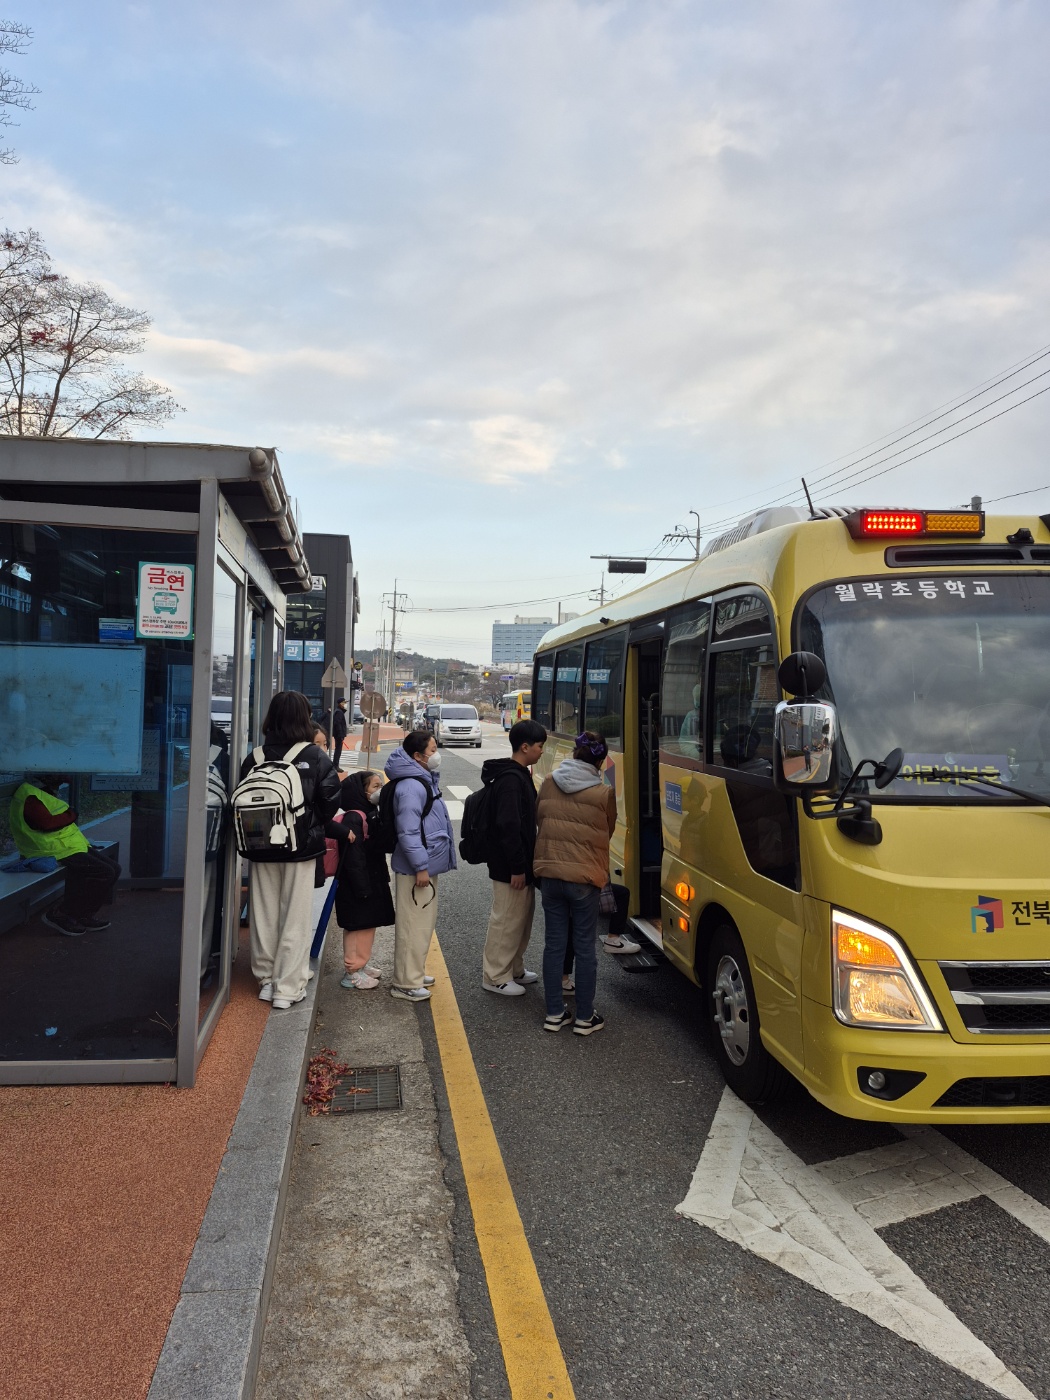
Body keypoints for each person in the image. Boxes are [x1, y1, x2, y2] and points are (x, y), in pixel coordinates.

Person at [240, 691, 341, 1009]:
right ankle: (288, 986)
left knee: (264, 914)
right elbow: (329, 804)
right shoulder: (315, 756)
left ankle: (267, 980)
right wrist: (306, 825)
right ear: (304, 718)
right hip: (299, 849)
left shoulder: (255, 756)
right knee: (295, 916)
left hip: (259, 846)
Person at [534, 731, 618, 1036]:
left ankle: (554, 1013)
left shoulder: (548, 783)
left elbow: (540, 819)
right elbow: (607, 831)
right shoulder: (603, 793)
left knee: (554, 945)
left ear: (574, 754)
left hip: (550, 874)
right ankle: (585, 1016)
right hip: (584, 879)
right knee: (584, 946)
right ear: (599, 760)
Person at [384, 729, 456, 1002]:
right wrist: (421, 867)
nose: (437, 755)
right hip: (417, 868)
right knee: (412, 925)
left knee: (422, 922)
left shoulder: (420, 778)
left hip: (425, 863)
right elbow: (408, 832)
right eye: (433, 750)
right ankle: (405, 982)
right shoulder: (412, 786)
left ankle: (413, 972)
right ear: (418, 756)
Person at [480, 718, 547, 996]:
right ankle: (495, 975)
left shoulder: (517, 774)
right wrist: (517, 867)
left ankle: (514, 968)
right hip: (510, 866)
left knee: (521, 918)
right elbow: (508, 827)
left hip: (520, 863)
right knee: (506, 920)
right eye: (540, 746)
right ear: (525, 746)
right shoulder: (510, 780)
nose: (542, 751)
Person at [8, 775, 121, 935]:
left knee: (114, 868)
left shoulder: (41, 792)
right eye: (61, 775)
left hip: (67, 846)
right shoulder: (30, 796)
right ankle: (61, 913)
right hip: (46, 849)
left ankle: (83, 915)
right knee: (104, 872)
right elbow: (47, 824)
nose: (66, 778)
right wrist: (71, 814)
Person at [327, 770, 393, 990]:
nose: (379, 790)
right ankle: (352, 972)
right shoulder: (355, 817)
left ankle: (360, 965)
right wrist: (362, 886)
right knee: (358, 926)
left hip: (368, 878)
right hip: (357, 882)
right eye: (375, 786)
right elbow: (354, 857)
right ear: (361, 791)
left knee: (366, 924)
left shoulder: (369, 812)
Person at [332, 698, 348, 767]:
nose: (345, 704)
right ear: (340, 704)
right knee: (338, 750)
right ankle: (335, 765)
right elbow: (337, 724)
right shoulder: (339, 712)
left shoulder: (339, 711)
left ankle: (336, 765)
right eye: (344, 703)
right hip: (339, 735)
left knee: (338, 749)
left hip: (339, 734)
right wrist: (340, 734)